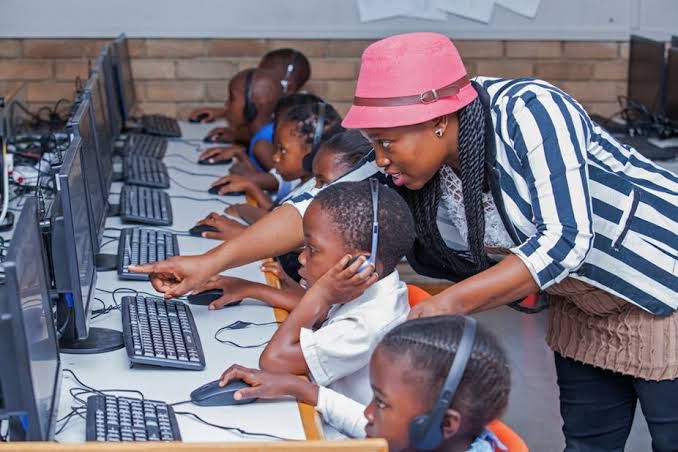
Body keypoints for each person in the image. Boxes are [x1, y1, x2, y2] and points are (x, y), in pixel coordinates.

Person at [133, 32, 678, 451]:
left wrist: (448, 305)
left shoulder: (528, 112)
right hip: (587, 306)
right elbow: (315, 205)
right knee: (588, 440)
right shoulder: (410, 154)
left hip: (663, 288)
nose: (381, 158)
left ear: (439, 121)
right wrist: (212, 262)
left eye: (387, 142)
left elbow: (566, 240)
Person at [218, 315, 511, 451]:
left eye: (381, 403)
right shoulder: (435, 441)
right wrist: (299, 388)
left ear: (446, 424)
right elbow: (373, 426)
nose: (368, 413)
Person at [259, 180, 412, 413]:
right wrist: (251, 289)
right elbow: (320, 318)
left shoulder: (366, 325)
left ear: (360, 264)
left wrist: (320, 293)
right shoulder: (372, 288)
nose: (301, 258)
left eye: (312, 249)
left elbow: (274, 361)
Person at [192, 131, 377, 301]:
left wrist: (252, 288)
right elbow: (312, 304)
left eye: (324, 183)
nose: (315, 191)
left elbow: (318, 311)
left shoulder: (358, 264)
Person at [194, 102, 343, 241]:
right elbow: (277, 217)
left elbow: (289, 238)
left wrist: (242, 232)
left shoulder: (320, 197)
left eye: (282, 150)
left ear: (312, 155)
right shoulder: (305, 184)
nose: (275, 157)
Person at [189, 48, 310, 142]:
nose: (258, 77)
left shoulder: (299, 118)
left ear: (289, 87)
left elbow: (268, 139)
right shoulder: (280, 107)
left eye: (266, 76)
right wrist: (224, 112)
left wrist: (237, 138)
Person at [197, 68, 283, 172]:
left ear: (250, 106)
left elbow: (280, 182)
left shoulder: (261, 146)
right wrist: (236, 139)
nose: (227, 104)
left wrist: (241, 156)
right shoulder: (268, 130)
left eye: (232, 99)